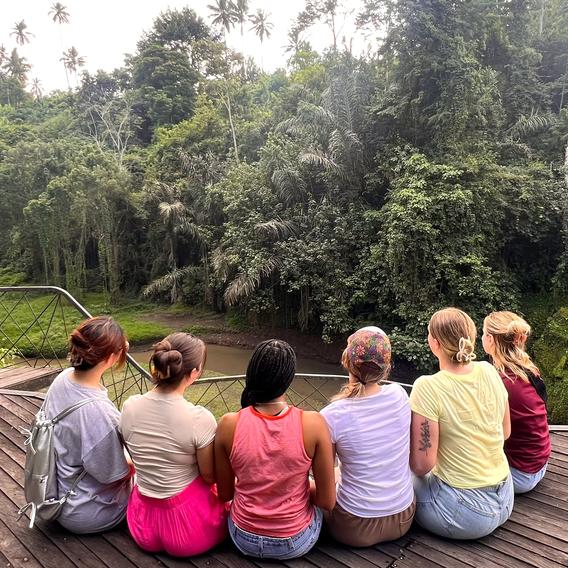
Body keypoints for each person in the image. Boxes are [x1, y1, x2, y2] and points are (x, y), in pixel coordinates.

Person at [215, 339, 335, 560]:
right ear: (289, 379)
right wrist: (296, 486)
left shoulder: (228, 424)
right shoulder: (313, 423)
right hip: (295, 541)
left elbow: (225, 494)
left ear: (252, 374)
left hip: (242, 537)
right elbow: (327, 501)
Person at [120, 333, 228, 557]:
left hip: (143, 525)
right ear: (195, 372)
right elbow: (209, 477)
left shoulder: (129, 406)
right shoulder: (199, 418)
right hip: (189, 529)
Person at [409, 308, 513, 540]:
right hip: (506, 498)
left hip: (465, 513)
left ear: (434, 343)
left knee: (400, 478)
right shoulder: (489, 370)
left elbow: (421, 465)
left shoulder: (427, 387)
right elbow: (505, 432)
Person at [320, 327, 415, 547]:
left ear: (347, 362)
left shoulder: (332, 415)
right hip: (403, 518)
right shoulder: (400, 394)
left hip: (353, 528)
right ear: (386, 367)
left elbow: (326, 483)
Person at [42, 316, 133, 534]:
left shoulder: (63, 378)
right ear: (111, 358)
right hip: (85, 511)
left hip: (55, 489)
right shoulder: (99, 412)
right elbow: (113, 474)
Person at [482, 311, 550, 493]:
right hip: (539, 463)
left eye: (483, 333)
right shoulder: (527, 370)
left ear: (490, 339)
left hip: (520, 474)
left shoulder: (502, 383)